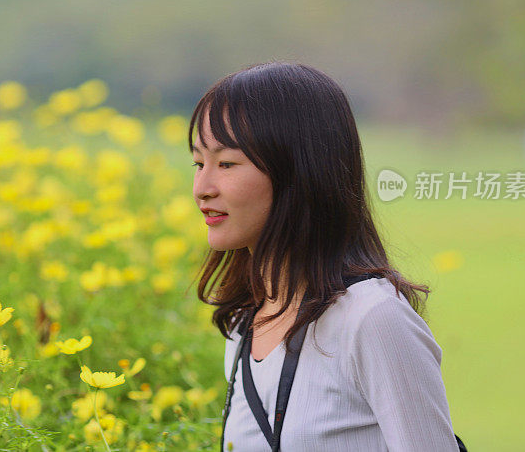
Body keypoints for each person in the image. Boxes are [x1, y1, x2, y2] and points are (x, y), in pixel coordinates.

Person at [188, 62, 461, 451]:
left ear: (298, 172)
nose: (202, 188)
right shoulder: (243, 321)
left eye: (226, 163)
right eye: (198, 164)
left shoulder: (373, 319)